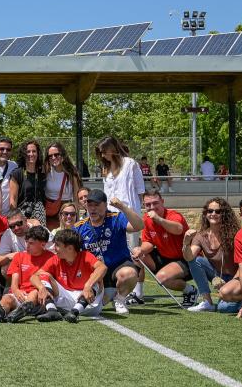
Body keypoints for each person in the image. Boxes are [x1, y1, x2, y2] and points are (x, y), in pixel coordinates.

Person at [74, 189, 144, 315]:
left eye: (97, 205)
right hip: (96, 272)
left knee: (129, 273)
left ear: (105, 205)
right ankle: (109, 292)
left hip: (118, 265)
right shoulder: (79, 226)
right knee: (96, 302)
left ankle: (120, 299)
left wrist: (123, 207)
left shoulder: (116, 218)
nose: (93, 209)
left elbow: (139, 226)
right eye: (90, 205)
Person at [96, 135, 144, 300]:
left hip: (129, 215)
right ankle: (116, 286)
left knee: (134, 252)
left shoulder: (131, 164)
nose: (103, 156)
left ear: (113, 149)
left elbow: (140, 190)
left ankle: (137, 291)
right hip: (111, 217)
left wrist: (135, 212)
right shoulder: (107, 171)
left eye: (104, 152)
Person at [131, 188, 193, 306]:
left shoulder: (173, 215)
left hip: (185, 259)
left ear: (162, 202)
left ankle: (190, 291)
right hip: (164, 257)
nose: (152, 207)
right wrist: (140, 250)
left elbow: (178, 229)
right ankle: (138, 294)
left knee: (162, 278)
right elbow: (148, 243)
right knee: (137, 254)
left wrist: (158, 219)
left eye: (155, 203)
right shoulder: (146, 219)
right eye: (148, 204)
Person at [32, 228, 107, 323]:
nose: (54, 248)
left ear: (70, 248)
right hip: (67, 299)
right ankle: (52, 311)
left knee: (96, 276)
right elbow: (34, 276)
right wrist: (41, 288)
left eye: (58, 245)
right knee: (43, 275)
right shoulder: (55, 259)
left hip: (89, 303)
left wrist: (88, 285)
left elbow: (103, 268)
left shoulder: (86, 256)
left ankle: (75, 312)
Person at [183, 197, 239, 312]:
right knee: (196, 261)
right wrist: (186, 243)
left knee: (225, 308)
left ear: (225, 214)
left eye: (218, 211)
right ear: (205, 213)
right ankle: (207, 302)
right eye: (210, 211)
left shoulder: (235, 234)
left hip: (237, 277)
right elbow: (189, 257)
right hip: (218, 276)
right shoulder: (201, 236)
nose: (213, 214)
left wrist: (234, 281)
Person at [0, 226, 56, 323]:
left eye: (31, 243)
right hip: (21, 294)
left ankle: (18, 312)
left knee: (34, 293)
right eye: (26, 242)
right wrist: (16, 291)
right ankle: (0, 314)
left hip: (40, 298)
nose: (27, 246)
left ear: (43, 244)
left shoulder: (52, 258)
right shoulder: (19, 256)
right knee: (6, 299)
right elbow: (14, 283)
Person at [43, 141, 82, 229]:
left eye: (56, 154)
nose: (53, 157)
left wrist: (77, 217)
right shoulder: (45, 171)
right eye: (50, 156)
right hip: (49, 211)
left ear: (62, 155)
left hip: (66, 210)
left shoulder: (71, 173)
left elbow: (76, 197)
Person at [9, 140, 45, 224]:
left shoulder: (42, 173)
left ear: (38, 153)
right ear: (23, 154)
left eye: (34, 151)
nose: (31, 154)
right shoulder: (17, 173)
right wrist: (16, 219)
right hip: (22, 216)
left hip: (40, 215)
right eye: (28, 151)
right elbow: (13, 199)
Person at [0, 137, 17, 216]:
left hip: (7, 215)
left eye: (8, 150)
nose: (5, 152)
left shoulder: (14, 166)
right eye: (2, 149)